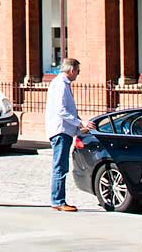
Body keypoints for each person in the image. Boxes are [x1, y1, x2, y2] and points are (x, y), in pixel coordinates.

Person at [45, 58, 93, 211]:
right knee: (60, 166)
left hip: (63, 130)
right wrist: (79, 123)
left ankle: (58, 200)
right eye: (78, 71)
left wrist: (79, 127)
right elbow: (62, 110)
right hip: (61, 131)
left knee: (60, 166)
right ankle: (58, 201)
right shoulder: (60, 85)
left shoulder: (61, 83)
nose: (78, 75)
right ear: (71, 70)